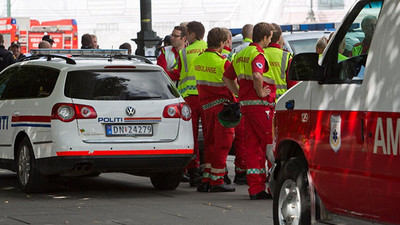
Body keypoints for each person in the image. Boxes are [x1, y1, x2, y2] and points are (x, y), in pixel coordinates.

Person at [223, 22, 275, 200]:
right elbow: (257, 75)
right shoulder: (257, 54)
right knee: (270, 146)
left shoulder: (241, 53)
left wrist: (239, 93)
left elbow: (227, 77)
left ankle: (255, 188)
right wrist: (260, 91)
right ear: (265, 37)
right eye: (269, 37)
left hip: (246, 107)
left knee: (253, 148)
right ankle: (273, 187)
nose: (270, 40)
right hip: (261, 108)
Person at [194, 27, 236, 193]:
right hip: (222, 108)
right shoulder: (222, 62)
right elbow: (232, 85)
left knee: (211, 143)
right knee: (223, 144)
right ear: (221, 42)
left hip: (206, 107)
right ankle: (217, 180)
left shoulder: (198, 59)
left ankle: (207, 177)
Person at [177, 21, 207, 187]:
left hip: (189, 98)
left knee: (192, 137)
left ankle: (193, 170)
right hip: (207, 96)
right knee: (211, 135)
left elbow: (176, 72)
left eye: (187, 34)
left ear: (193, 34)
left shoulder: (184, 53)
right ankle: (212, 170)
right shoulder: (211, 48)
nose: (185, 37)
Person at [220, 27, 247, 185]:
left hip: (221, 102)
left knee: (220, 142)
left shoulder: (231, 54)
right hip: (239, 101)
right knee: (242, 140)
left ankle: (222, 173)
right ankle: (241, 172)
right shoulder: (230, 57)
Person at [264, 23, 297, 100]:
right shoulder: (287, 57)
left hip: (263, 102)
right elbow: (292, 85)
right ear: (279, 39)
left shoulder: (259, 53)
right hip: (281, 102)